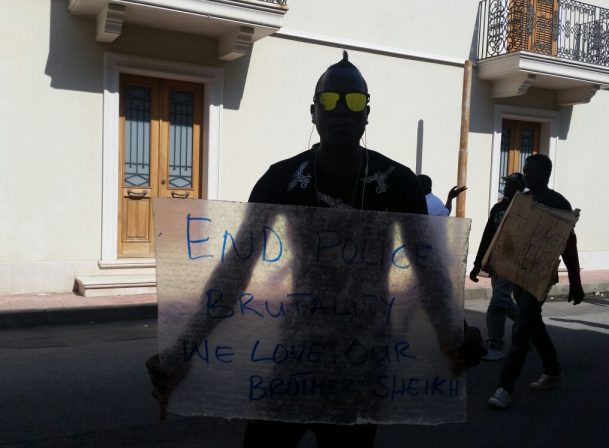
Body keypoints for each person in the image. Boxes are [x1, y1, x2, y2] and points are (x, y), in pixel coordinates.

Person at [147, 52, 475, 447]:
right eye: (330, 101)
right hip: (297, 351)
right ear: (313, 112)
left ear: (367, 113)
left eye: (353, 101)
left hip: (362, 358)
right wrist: (184, 348)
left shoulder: (398, 182)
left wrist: (453, 336)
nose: (341, 110)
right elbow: (236, 268)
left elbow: (428, 272)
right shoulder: (281, 180)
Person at [487, 154, 585, 409]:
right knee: (532, 323)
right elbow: (509, 234)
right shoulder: (523, 200)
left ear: (546, 174)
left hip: (540, 277)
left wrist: (575, 281)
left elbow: (568, 243)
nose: (527, 175)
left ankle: (505, 387)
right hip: (518, 274)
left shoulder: (558, 202)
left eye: (532, 171)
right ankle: (553, 371)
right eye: (526, 171)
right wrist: (492, 260)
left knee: (520, 330)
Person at [469, 172, 525, 361]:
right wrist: (478, 264)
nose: (506, 187)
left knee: (498, 302)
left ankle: (495, 344)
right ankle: (529, 329)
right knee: (504, 300)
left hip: (513, 263)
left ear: (519, 188)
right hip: (496, 262)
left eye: (510, 184)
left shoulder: (526, 210)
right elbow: (487, 236)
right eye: (506, 183)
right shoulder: (498, 207)